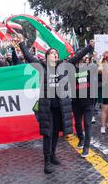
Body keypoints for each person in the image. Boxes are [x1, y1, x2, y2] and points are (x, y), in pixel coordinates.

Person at [19, 36, 95, 174]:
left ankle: (53, 155)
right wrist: (22, 43)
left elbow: (77, 57)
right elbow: (28, 57)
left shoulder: (62, 66)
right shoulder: (41, 67)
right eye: (52, 53)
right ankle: (47, 161)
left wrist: (89, 47)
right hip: (47, 107)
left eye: (56, 53)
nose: (55, 54)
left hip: (59, 107)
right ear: (47, 56)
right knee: (48, 134)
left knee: (55, 133)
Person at [72, 49, 96, 158]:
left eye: (85, 57)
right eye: (81, 56)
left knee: (87, 123)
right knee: (77, 123)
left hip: (88, 101)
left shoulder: (90, 68)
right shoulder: (71, 69)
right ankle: (81, 138)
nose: (83, 58)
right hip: (76, 101)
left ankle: (86, 147)